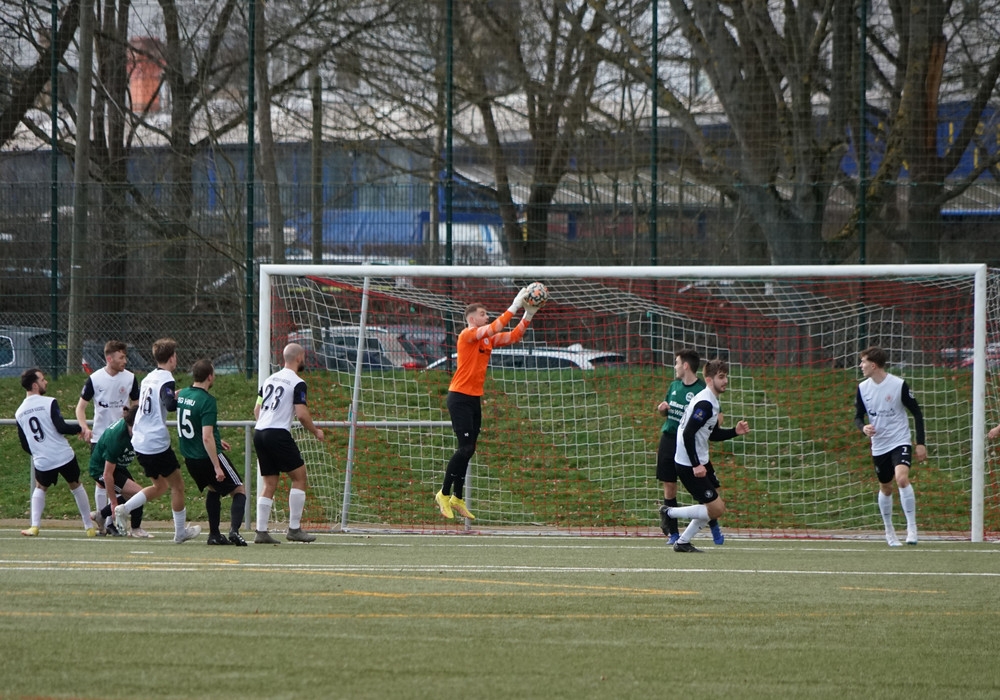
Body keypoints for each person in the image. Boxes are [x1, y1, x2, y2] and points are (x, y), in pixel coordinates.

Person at [435, 287, 540, 520]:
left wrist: (528, 314)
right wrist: (514, 305)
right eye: (483, 314)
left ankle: (457, 498)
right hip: (459, 397)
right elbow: (494, 327)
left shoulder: (487, 339)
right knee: (464, 448)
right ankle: (443, 494)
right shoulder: (467, 335)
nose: (487, 317)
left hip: (474, 398)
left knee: (469, 449)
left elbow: (513, 336)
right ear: (472, 319)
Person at [113, 338, 201, 544]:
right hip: (155, 441)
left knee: (159, 486)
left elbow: (159, 398)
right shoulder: (166, 378)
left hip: (140, 440)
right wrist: (185, 400)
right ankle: (180, 532)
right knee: (177, 486)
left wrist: (175, 394)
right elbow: (169, 404)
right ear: (172, 358)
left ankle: (124, 508)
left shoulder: (148, 378)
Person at [659, 359, 749, 553]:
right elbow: (688, 433)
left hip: (700, 459)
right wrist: (696, 465)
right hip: (689, 463)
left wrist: (735, 431)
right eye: (721, 377)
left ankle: (683, 542)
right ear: (709, 379)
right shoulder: (705, 404)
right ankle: (669, 512)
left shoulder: (710, 400)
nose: (725, 381)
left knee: (714, 504)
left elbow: (712, 434)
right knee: (716, 509)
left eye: (726, 376)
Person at [252, 342, 325, 544]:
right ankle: (294, 529)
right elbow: (301, 414)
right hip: (277, 434)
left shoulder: (269, 380)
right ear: (299, 358)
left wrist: (266, 424)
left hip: (260, 432)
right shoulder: (297, 383)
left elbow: (257, 410)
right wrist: (316, 431)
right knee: (299, 477)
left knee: (269, 483)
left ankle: (261, 531)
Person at [853, 346, 926, 546]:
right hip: (879, 445)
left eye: (863, 362)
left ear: (874, 365)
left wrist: (920, 443)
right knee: (886, 488)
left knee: (902, 479)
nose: (861, 366)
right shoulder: (863, 388)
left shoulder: (898, 385)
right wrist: (863, 428)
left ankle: (912, 528)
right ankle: (889, 531)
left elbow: (917, 413)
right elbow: (858, 417)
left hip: (900, 440)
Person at [15, 368, 97, 537]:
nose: (45, 382)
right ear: (35, 385)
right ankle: (88, 527)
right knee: (76, 485)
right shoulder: (49, 402)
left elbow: (24, 444)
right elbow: (61, 427)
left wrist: (38, 452)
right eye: (42, 380)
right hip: (63, 455)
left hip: (43, 460)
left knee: (40, 487)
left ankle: (34, 526)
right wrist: (80, 429)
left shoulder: (19, 412)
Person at [75, 339, 144, 536]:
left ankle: (107, 518)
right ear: (109, 358)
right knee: (103, 481)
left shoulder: (130, 378)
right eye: (121, 357)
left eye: (125, 357)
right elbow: (80, 407)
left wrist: (132, 419)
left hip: (121, 437)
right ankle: (105, 524)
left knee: (117, 481)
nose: (125, 361)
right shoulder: (95, 379)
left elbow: (137, 405)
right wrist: (84, 427)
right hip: (100, 437)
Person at [177, 359, 248, 546]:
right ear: (209, 376)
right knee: (239, 489)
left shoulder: (183, 394)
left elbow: (196, 425)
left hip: (190, 458)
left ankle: (214, 535)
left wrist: (217, 440)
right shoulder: (207, 400)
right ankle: (234, 531)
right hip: (205, 456)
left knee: (213, 489)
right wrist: (217, 466)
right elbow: (206, 437)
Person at [655, 348, 723, 545]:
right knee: (669, 486)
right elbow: (667, 412)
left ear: (685, 365)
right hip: (670, 439)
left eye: (677, 363)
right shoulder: (674, 386)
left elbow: (715, 420)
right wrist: (662, 410)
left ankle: (714, 527)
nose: (675, 367)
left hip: (690, 445)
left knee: (707, 492)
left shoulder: (703, 390)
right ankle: (674, 534)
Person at [88, 405, 151, 537]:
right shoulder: (117, 438)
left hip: (117, 466)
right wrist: (113, 503)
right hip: (101, 469)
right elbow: (107, 474)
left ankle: (101, 515)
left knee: (136, 495)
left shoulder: (132, 430)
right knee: (139, 493)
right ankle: (135, 529)